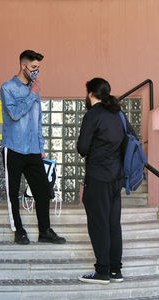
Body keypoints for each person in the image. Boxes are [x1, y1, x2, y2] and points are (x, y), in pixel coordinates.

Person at [0, 50, 66, 245]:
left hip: (33, 150)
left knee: (43, 191)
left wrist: (41, 147)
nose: (37, 71)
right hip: (13, 148)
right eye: (34, 67)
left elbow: (38, 121)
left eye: (39, 68)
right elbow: (14, 114)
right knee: (13, 192)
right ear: (23, 66)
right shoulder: (8, 87)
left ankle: (45, 231)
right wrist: (31, 95)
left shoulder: (34, 89)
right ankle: (18, 230)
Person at [77, 78, 135, 284]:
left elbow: (82, 148)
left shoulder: (93, 115)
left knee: (98, 223)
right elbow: (131, 139)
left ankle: (102, 271)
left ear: (91, 94)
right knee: (113, 224)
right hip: (116, 178)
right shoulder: (118, 114)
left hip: (98, 177)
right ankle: (115, 270)